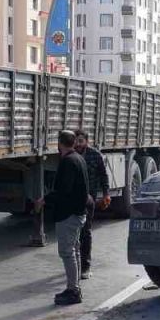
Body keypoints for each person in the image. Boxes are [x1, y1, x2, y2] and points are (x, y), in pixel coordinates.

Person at [34, 130, 91, 306]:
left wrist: (44, 200)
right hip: (79, 212)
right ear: (73, 143)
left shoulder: (68, 162)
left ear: (60, 143)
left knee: (67, 252)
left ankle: (73, 290)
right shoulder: (79, 158)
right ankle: (75, 287)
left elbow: (63, 191)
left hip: (69, 214)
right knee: (74, 249)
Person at [74, 131, 110, 279]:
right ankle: (74, 263)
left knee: (85, 231)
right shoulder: (71, 156)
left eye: (81, 141)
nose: (78, 144)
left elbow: (103, 175)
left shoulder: (95, 155)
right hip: (73, 199)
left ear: (87, 142)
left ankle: (86, 266)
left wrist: (106, 193)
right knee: (74, 232)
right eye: (76, 141)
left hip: (89, 199)